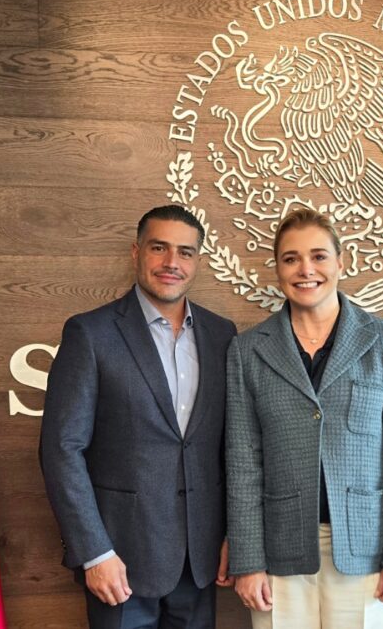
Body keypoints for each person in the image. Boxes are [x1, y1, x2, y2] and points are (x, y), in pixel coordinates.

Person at [226, 208, 383, 627]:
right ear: (277, 268)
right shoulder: (248, 351)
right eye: (291, 258)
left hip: (368, 554)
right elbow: (244, 464)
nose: (306, 270)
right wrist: (248, 561)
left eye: (318, 256)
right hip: (279, 554)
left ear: (341, 262)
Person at [41, 205, 238, 628]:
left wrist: (231, 536)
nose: (172, 262)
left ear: (198, 261)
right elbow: (62, 449)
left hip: (200, 561)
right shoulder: (90, 334)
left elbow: (230, 448)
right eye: (158, 248)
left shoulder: (222, 335)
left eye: (185, 252)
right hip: (119, 561)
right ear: (136, 252)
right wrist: (94, 552)